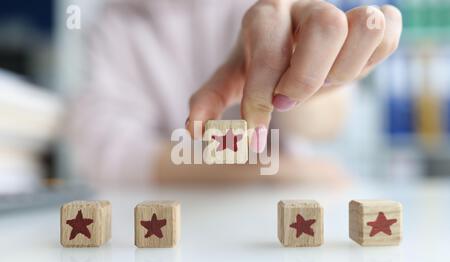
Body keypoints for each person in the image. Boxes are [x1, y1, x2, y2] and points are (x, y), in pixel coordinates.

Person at [68, 0, 402, 186]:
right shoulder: (113, 22)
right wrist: (281, 173)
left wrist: (305, 84)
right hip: (162, 227)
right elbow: (107, 155)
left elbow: (331, 121)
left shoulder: (278, 6)